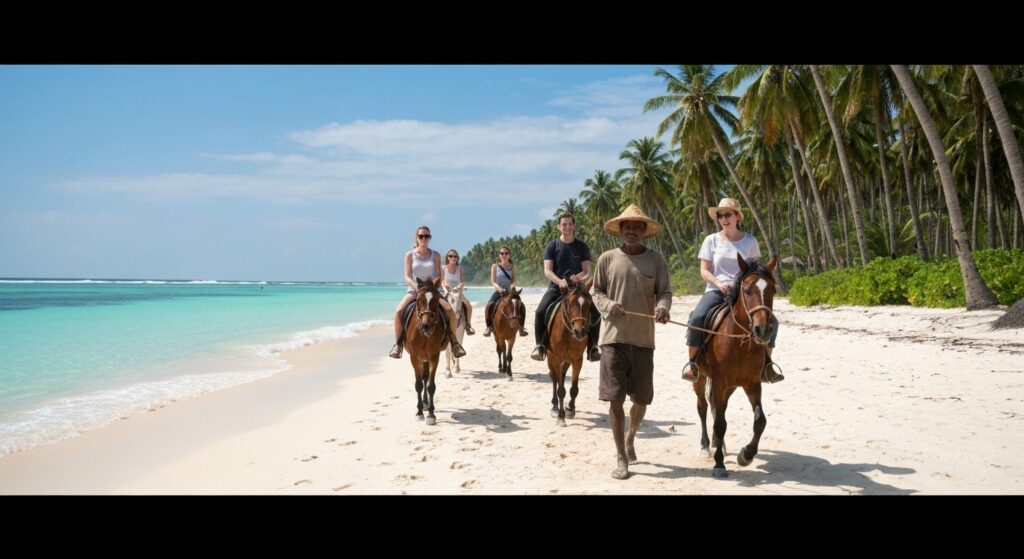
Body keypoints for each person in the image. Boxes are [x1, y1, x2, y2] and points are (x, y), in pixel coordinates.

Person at [591, 204, 672, 480]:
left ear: (644, 231)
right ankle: (621, 456)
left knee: (641, 399)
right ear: (621, 230)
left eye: (637, 227)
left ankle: (631, 435)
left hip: (643, 340)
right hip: (613, 339)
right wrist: (608, 303)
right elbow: (596, 291)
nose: (632, 231)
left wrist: (662, 308)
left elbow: (665, 292)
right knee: (615, 400)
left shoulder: (656, 260)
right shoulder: (607, 258)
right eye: (627, 226)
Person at [680, 198, 783, 383]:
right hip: (716, 289)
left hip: (744, 292)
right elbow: (704, 270)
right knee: (697, 317)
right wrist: (718, 283)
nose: (723, 218)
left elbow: (756, 271)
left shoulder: (750, 241)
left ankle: (767, 364)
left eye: (727, 214)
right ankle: (693, 364)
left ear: (737, 216)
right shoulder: (710, 241)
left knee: (772, 322)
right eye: (720, 215)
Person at [389, 226, 467, 359]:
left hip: (432, 290)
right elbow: (407, 276)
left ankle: (454, 343)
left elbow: (438, 274)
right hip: (415, 290)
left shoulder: (435, 255)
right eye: (421, 236)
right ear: (416, 238)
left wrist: (432, 285)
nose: (424, 238)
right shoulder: (409, 255)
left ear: (430, 238)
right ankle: (398, 345)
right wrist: (416, 287)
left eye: (426, 236)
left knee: (450, 311)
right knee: (398, 311)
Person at [531, 213, 601, 362]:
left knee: (595, 313)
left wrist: (579, 277)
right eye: (564, 224)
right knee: (540, 312)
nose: (567, 227)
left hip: (577, 288)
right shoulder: (552, 246)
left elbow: (586, 271)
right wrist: (559, 281)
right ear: (559, 227)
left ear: (574, 226)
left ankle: (593, 348)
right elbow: (547, 270)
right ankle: (540, 346)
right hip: (556, 288)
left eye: (570, 224)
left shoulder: (582, 246)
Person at [482, 246, 528, 338]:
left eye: (506, 253)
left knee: (521, 305)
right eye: (502, 253)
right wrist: (499, 288)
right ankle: (489, 327)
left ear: (509, 255)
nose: (504, 255)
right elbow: (493, 281)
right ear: (499, 255)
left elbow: (514, 281)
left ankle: (521, 328)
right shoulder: (495, 266)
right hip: (499, 291)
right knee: (489, 305)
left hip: (510, 292)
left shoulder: (513, 267)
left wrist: (512, 286)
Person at [441, 249, 475, 335]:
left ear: (457, 258)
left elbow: (462, 282)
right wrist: (446, 287)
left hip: (458, 291)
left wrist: (459, 287)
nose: (453, 258)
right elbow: (442, 281)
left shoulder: (460, 268)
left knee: (469, 306)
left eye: (455, 256)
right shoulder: (443, 268)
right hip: (446, 291)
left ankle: (468, 325)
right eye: (451, 256)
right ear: (447, 258)